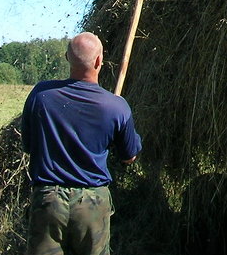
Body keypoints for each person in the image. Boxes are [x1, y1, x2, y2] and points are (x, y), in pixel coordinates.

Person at [22, 32, 142, 255]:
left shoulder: (41, 94)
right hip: (92, 202)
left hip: (48, 199)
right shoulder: (116, 106)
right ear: (99, 61)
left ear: (67, 58)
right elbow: (129, 156)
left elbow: (29, 146)